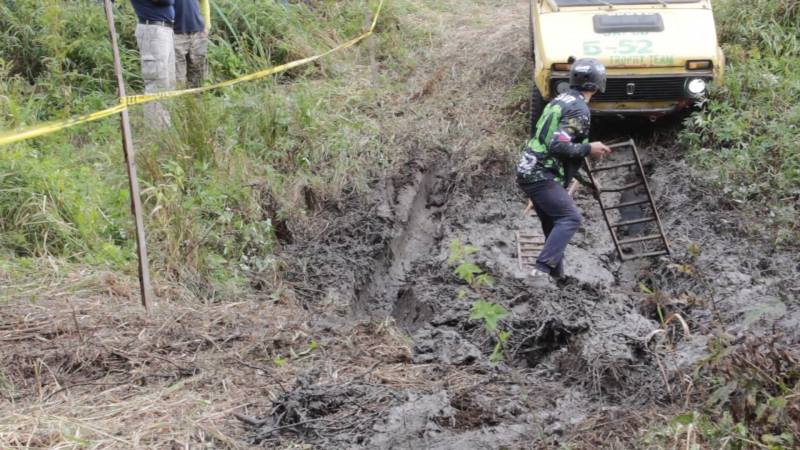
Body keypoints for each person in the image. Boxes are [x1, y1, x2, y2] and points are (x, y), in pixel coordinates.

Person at [515, 58, 612, 288]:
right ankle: (538, 273)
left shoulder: (560, 100)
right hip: (541, 174)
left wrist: (586, 180)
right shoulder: (580, 109)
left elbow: (557, 150)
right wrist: (589, 148)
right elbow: (557, 146)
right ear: (599, 83)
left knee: (552, 222)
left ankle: (558, 278)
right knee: (570, 218)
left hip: (530, 170)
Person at [130, 0, 176, 127]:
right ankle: (155, 133)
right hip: (153, 30)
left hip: (165, 28)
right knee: (157, 83)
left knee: (168, 83)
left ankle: (165, 130)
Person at [173, 0, 211, 88]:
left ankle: (200, 100)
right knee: (177, 76)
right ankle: (180, 100)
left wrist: (207, 25)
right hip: (175, 33)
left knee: (199, 76)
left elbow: (204, 1)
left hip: (198, 32)